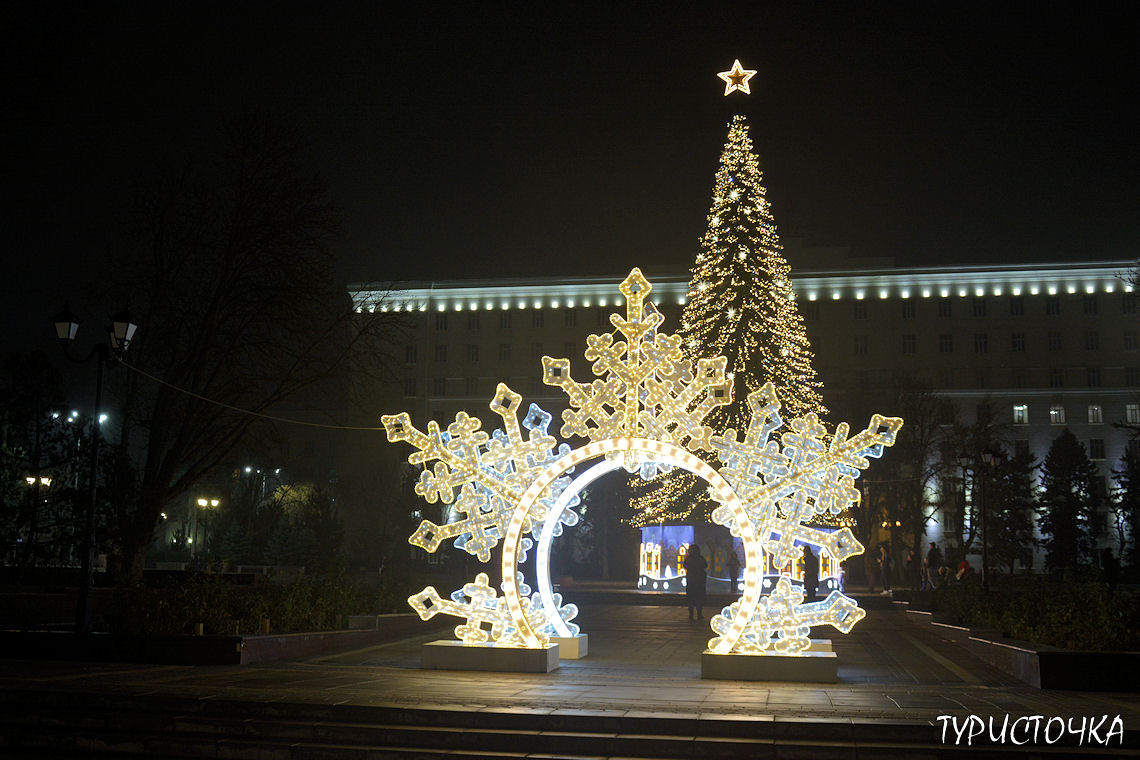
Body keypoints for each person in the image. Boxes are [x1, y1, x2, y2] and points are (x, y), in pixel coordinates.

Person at [684, 544, 708, 621]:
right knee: (699, 599)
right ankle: (699, 614)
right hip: (699, 581)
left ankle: (691, 614)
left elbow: (684, 566)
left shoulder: (688, 558)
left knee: (690, 599)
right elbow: (705, 565)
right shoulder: (700, 558)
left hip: (691, 581)